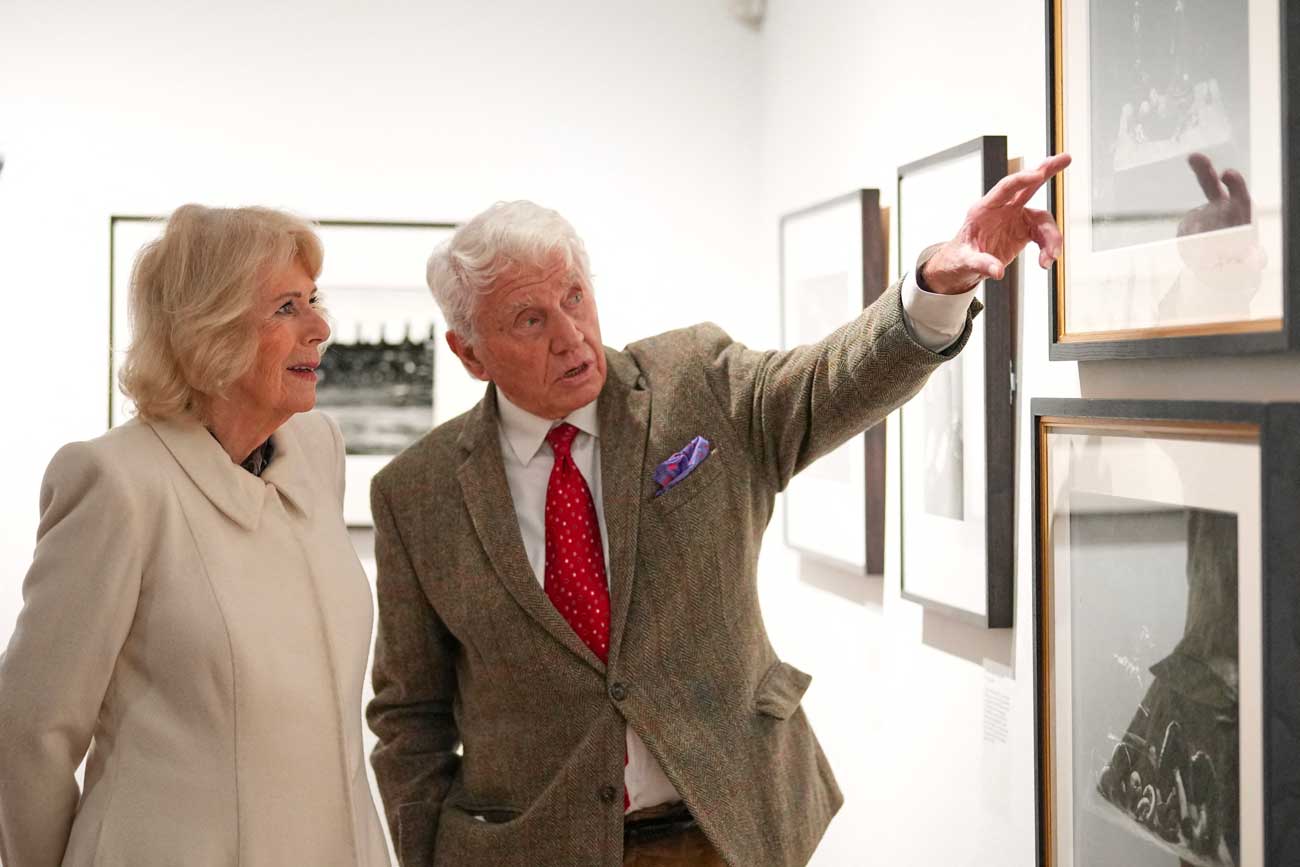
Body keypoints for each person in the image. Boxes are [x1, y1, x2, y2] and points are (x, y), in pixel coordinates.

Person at [366, 154, 1070, 867]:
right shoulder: (416, 494)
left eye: (574, 296)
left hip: (721, 829)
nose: (570, 335)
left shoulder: (694, 380)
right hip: (531, 850)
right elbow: (409, 719)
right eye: (530, 319)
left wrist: (933, 289)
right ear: (470, 353)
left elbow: (827, 381)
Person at [0, 205, 391, 867]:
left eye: (313, 300)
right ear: (209, 331)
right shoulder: (117, 481)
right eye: (287, 308)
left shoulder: (317, 450)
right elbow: (29, 732)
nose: (321, 328)